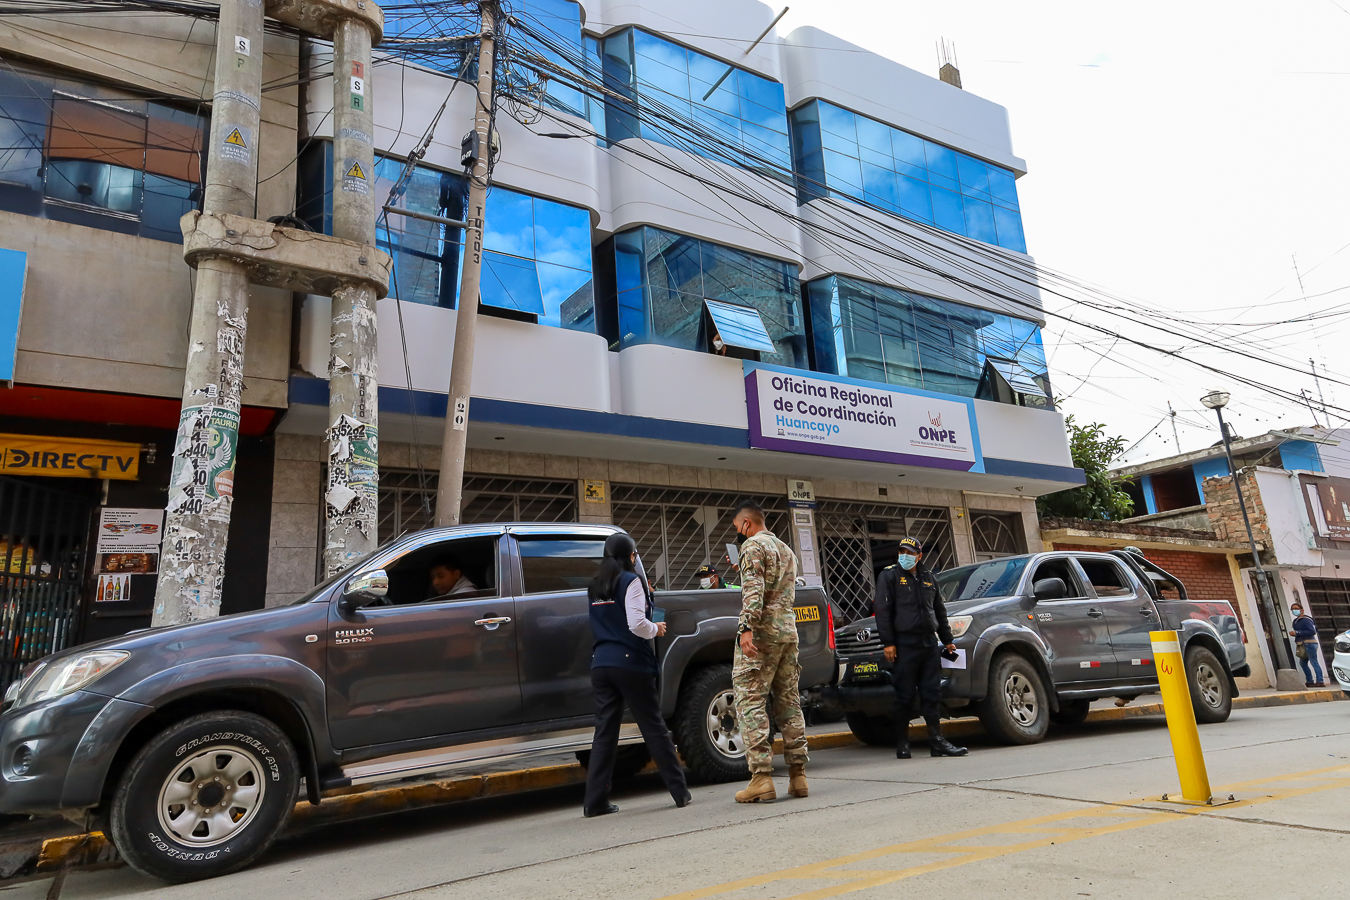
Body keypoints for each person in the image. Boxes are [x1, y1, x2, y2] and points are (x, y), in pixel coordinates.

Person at [582, 533, 690, 818]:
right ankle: (680, 792)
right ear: (630, 556)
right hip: (630, 663)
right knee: (653, 727)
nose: (636, 558)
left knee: (604, 734)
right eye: (635, 554)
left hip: (601, 664)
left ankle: (594, 802)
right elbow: (636, 624)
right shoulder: (631, 581)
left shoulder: (595, 586)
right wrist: (657, 629)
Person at [730, 500, 808, 803]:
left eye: (737, 527)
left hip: (762, 636)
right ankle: (798, 775)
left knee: (750, 702)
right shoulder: (786, 550)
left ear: (747, 524)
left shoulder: (751, 547)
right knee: (789, 703)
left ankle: (761, 778)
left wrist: (746, 628)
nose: (737, 533)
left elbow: (754, 590)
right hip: (787, 633)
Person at [875, 537, 968, 759]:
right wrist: (888, 642)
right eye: (901, 552)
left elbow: (939, 610)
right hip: (904, 644)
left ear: (919, 555)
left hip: (928, 644)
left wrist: (947, 640)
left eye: (909, 552)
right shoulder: (890, 575)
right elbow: (882, 610)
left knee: (932, 694)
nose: (904, 556)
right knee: (904, 695)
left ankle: (937, 742)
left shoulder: (928, 578)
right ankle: (903, 743)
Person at [1289, 600, 1325, 687]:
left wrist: (1297, 633)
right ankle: (1309, 681)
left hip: (1309, 643)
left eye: (1296, 608)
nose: (1294, 610)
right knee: (1303, 663)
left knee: (1314, 662)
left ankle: (1320, 681)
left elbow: (1312, 631)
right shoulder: (1296, 621)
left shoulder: (1306, 620)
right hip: (1302, 644)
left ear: (1302, 610)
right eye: (1292, 609)